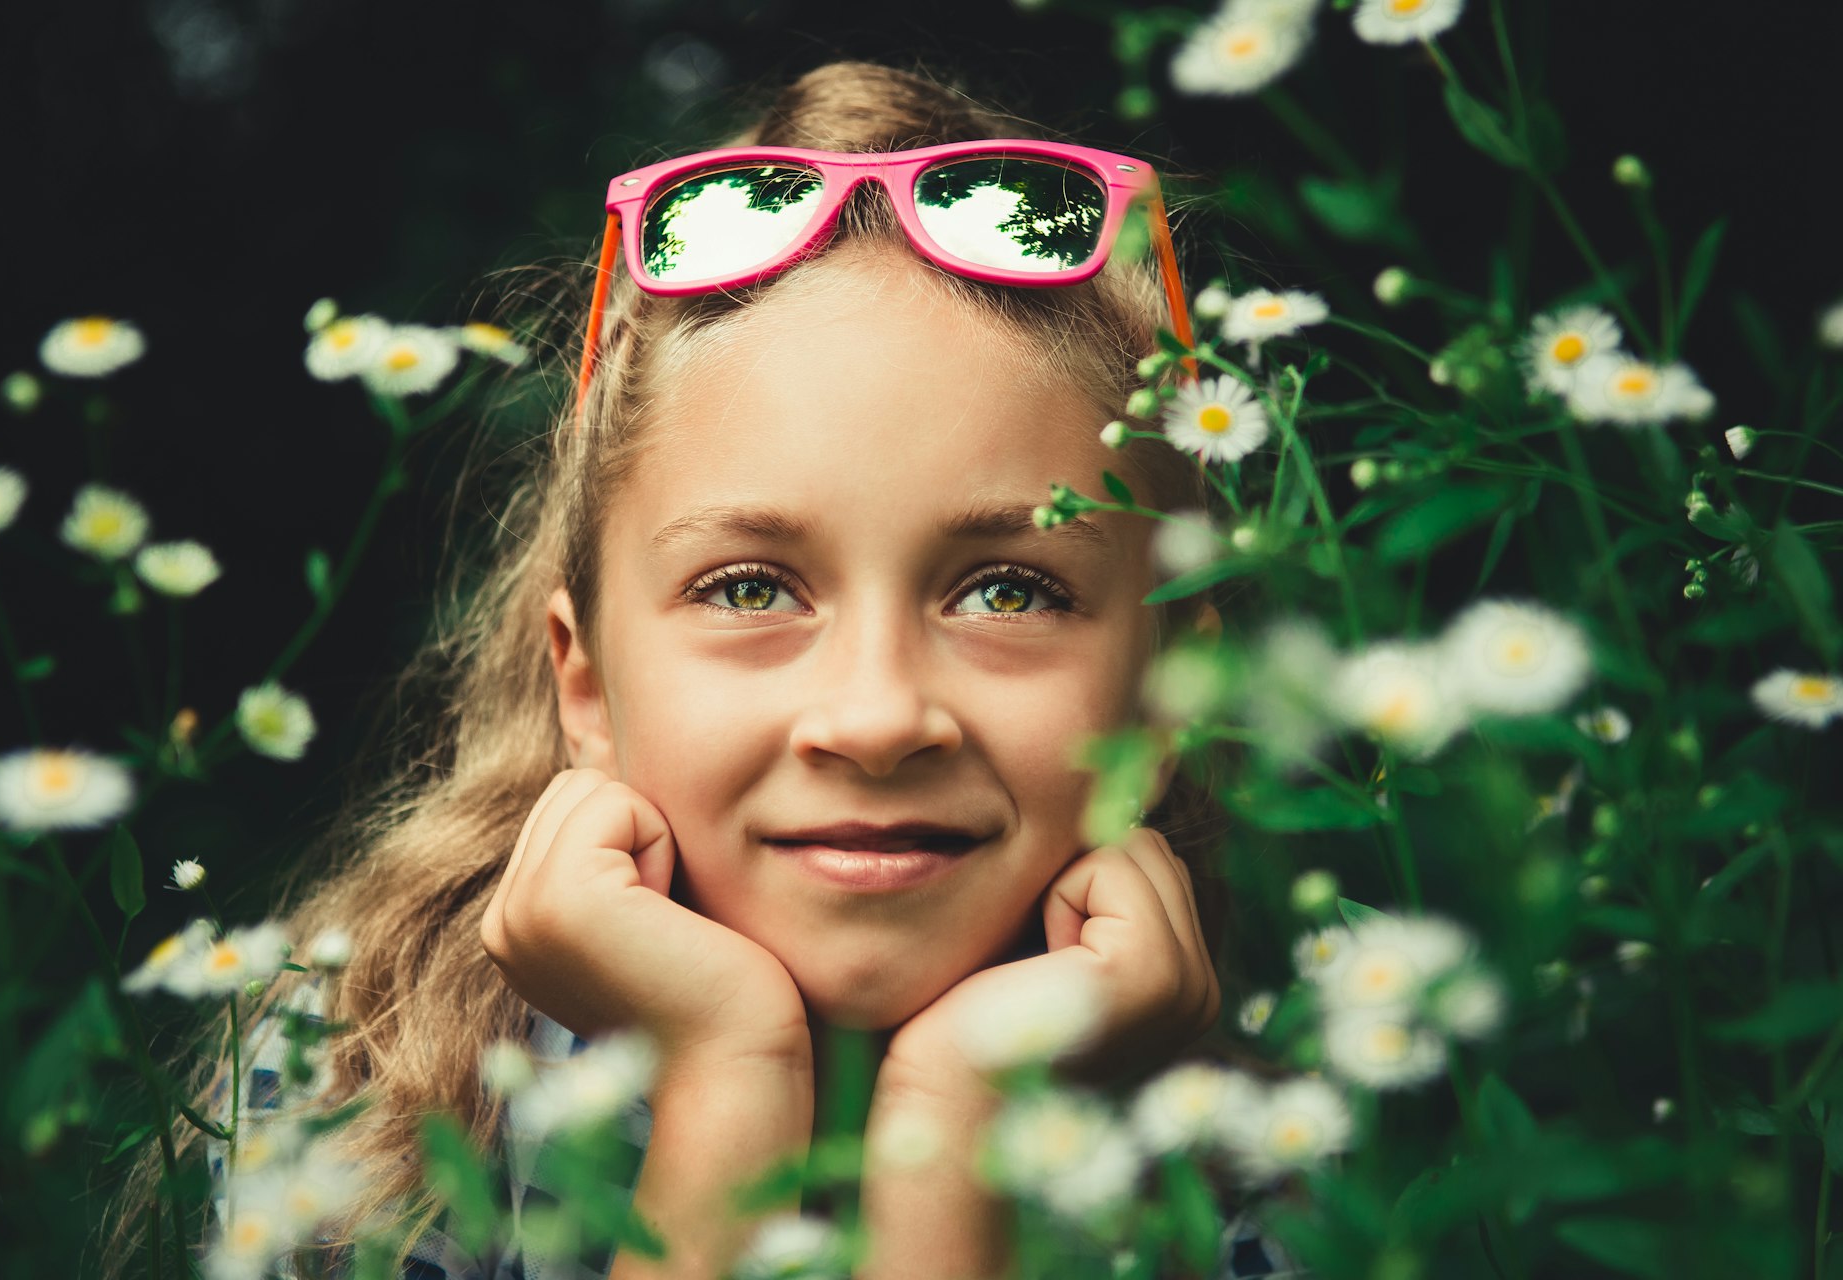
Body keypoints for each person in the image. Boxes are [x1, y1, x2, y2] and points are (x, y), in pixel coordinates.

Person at [100, 58, 1308, 1280]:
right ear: (585, 685)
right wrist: (728, 1091)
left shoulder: (1304, 1148)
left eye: (1008, 589)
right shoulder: (362, 1097)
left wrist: (957, 1130)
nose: (878, 716)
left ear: (1167, 696)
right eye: (749, 588)